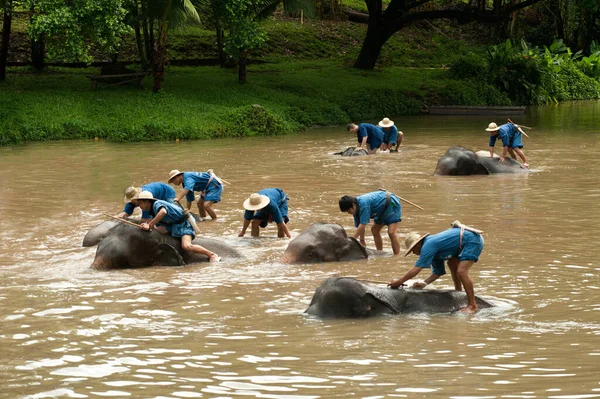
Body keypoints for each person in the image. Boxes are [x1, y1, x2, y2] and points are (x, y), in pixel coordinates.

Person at [389, 227, 484, 313]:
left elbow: (417, 268)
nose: (414, 253)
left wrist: (399, 281)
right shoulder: (433, 250)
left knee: (461, 272)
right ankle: (458, 291)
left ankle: (472, 305)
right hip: (460, 245)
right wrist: (424, 283)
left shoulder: (428, 245)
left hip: (472, 240)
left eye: (413, 250)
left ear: (418, 245)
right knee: (451, 263)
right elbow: (437, 273)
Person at [136, 191, 221, 262]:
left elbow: (163, 212)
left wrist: (150, 225)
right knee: (157, 231)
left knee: (186, 246)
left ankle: (211, 254)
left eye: (140, 203)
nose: (139, 206)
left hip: (184, 223)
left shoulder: (157, 204)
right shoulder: (152, 210)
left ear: (147, 201)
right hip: (174, 225)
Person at [338, 190, 402, 255]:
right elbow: (360, 227)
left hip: (391, 204)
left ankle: (397, 255)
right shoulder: (356, 211)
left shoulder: (364, 204)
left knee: (391, 232)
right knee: (374, 230)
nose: (349, 213)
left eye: (348, 210)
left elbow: (363, 224)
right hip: (381, 210)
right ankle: (380, 252)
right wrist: (362, 240)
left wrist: (351, 241)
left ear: (353, 205)